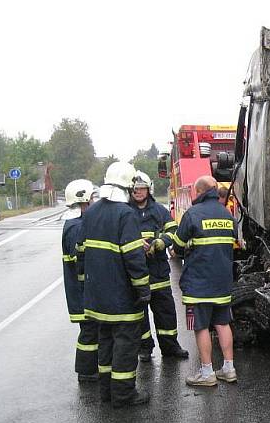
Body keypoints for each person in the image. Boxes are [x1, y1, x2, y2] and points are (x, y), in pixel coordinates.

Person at [78, 161, 151, 407]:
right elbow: (133, 256)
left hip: (97, 297)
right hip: (122, 298)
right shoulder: (125, 214)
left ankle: (106, 392)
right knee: (126, 346)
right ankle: (123, 395)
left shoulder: (91, 212)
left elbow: (80, 252)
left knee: (105, 343)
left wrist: (85, 284)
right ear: (128, 186)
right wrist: (142, 288)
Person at [171, 176, 237, 386]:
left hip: (199, 282)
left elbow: (178, 247)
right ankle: (229, 368)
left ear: (199, 192)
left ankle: (207, 372)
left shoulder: (192, 214)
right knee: (222, 323)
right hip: (223, 281)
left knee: (201, 326)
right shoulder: (227, 215)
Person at [130, 171, 189, 361]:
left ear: (148, 190)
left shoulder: (159, 211)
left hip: (158, 272)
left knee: (166, 313)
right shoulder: (126, 212)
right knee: (139, 316)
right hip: (136, 273)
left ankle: (170, 347)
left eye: (141, 188)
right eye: (134, 189)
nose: (137, 192)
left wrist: (161, 242)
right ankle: (144, 349)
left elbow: (173, 230)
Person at [62, 179, 98, 382]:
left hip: (83, 291)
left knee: (91, 331)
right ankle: (86, 371)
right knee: (89, 333)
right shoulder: (76, 227)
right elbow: (81, 260)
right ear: (83, 201)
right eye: (91, 198)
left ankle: (89, 368)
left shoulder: (76, 223)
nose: (93, 202)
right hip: (82, 292)